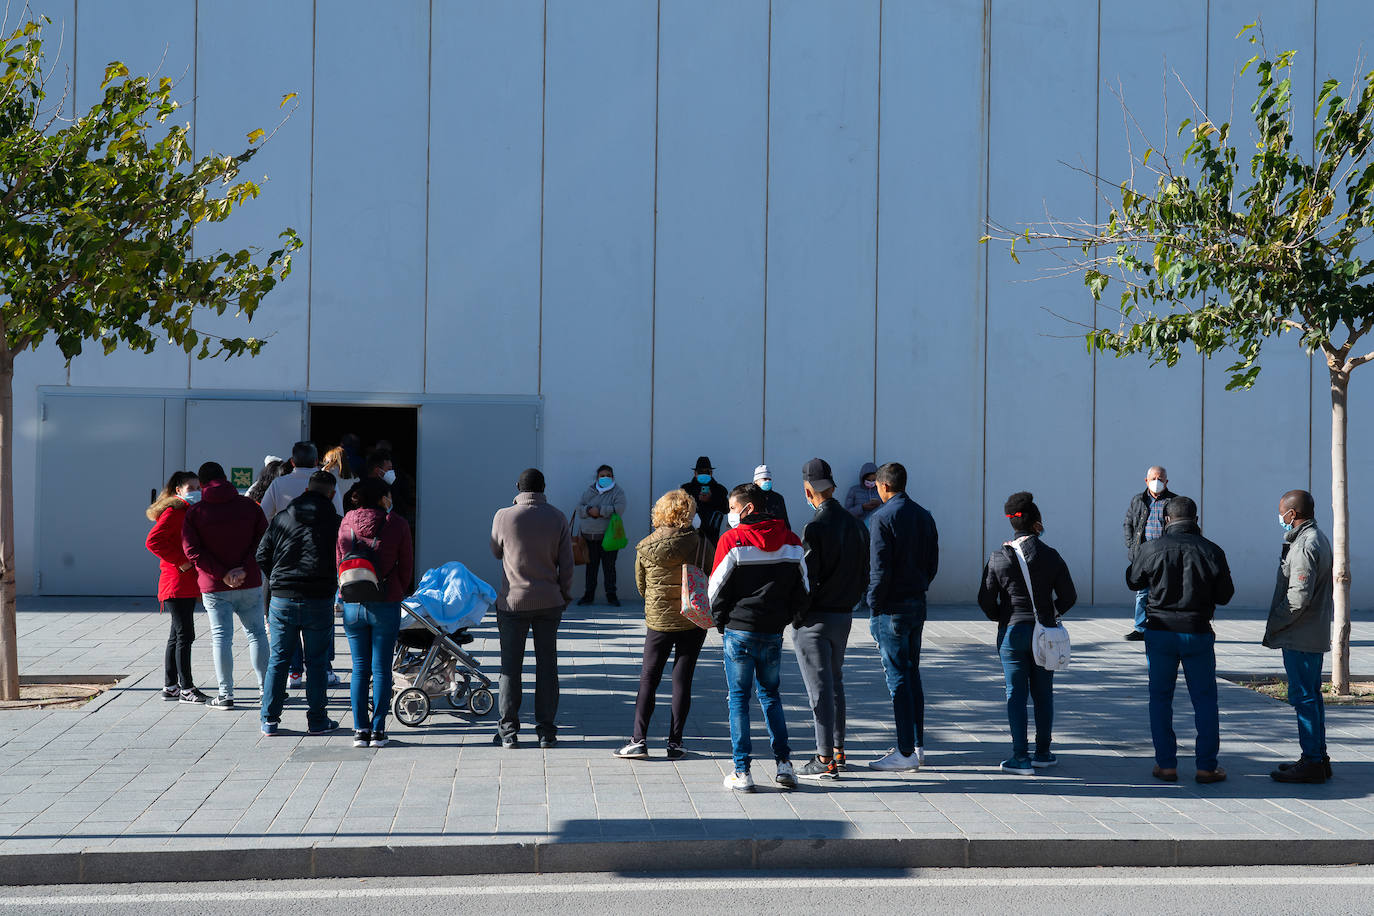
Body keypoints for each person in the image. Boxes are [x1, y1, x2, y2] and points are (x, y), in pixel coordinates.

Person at [1126, 496, 1234, 784]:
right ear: (1196, 520)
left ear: (1166, 520)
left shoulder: (1152, 548)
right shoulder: (1213, 550)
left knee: (1160, 699)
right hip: (1198, 631)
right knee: (1205, 700)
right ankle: (1206, 767)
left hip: (1160, 631)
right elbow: (1225, 595)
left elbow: (1134, 581)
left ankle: (1166, 764)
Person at [709, 482, 806, 793]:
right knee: (771, 697)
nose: (730, 514)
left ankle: (742, 771)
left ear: (747, 509)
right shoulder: (791, 541)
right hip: (773, 632)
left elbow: (715, 590)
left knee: (738, 699)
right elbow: (803, 589)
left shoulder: (732, 540)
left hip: (739, 631)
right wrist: (787, 618)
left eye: (733, 508)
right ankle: (784, 765)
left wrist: (720, 622)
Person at [977, 492, 1077, 776]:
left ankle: (1019, 757)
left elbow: (985, 599)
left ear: (1011, 522)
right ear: (1036, 521)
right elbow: (1069, 596)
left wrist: (1003, 617)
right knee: (1044, 694)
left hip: (1012, 632)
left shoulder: (999, 557)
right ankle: (1043, 753)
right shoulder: (1051, 555)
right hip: (1043, 632)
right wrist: (1050, 613)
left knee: (1016, 695)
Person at [615, 489, 705, 760]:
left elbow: (641, 586)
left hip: (659, 621)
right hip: (692, 618)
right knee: (682, 681)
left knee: (648, 679)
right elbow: (711, 574)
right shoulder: (700, 543)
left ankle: (638, 740)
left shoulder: (645, 546)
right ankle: (675, 743)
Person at [793, 459, 867, 781]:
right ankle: (837, 750)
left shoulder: (816, 527)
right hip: (844, 615)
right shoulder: (857, 524)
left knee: (819, 689)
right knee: (835, 685)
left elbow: (807, 577)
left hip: (816, 618)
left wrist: (797, 616)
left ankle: (824, 758)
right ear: (833, 487)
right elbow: (865, 573)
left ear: (809, 491)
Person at [490, 468, 574, 749]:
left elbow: (495, 550)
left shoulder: (503, 516)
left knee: (510, 668)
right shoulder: (558, 517)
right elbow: (567, 563)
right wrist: (565, 593)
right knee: (547, 666)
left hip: (512, 602)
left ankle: (508, 732)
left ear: (518, 487)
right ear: (543, 488)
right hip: (550, 601)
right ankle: (547, 732)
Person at [257, 471, 342, 737]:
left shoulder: (282, 517)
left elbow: (262, 554)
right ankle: (317, 721)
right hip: (319, 598)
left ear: (306, 490)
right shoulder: (337, 523)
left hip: (282, 598)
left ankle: (269, 720)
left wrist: (279, 579)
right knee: (316, 662)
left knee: (279, 659)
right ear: (331, 494)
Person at [866, 461, 939, 772]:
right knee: (912, 674)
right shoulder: (924, 515)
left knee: (897, 678)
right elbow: (933, 562)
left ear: (883, 486)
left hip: (891, 608)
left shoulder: (881, 517)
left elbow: (879, 570)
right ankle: (916, 745)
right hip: (916, 602)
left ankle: (906, 751)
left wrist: (873, 604)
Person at [181, 461, 269, 711]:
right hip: (249, 580)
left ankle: (226, 694)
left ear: (202, 483)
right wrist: (242, 568)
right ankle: (266, 691)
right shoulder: (250, 506)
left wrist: (222, 574)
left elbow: (191, 550)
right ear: (225, 478)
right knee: (257, 634)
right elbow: (263, 540)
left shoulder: (196, 512)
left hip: (214, 586)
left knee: (221, 638)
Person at [1265, 489, 1335, 784]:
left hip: (1301, 635)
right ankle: (1316, 757)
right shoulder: (1315, 537)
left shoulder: (1306, 544)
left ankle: (1313, 762)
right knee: (1311, 697)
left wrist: (1275, 623)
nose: (1280, 516)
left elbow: (1298, 598)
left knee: (1304, 697)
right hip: (1308, 633)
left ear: (1292, 514)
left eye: (1282, 511)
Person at [338, 477, 413, 749]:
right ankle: (379, 730)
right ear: (383, 498)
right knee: (382, 669)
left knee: (359, 668)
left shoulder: (346, 521)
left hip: (353, 603)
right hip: (386, 601)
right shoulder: (397, 524)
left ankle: (360, 730)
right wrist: (396, 591)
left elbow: (340, 560)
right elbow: (406, 567)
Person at [145, 471, 209, 705]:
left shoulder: (188, 511)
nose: (196, 491)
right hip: (176, 582)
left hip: (184, 582)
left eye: (197, 486)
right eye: (190, 487)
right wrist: (180, 561)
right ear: (178, 491)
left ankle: (170, 686)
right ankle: (186, 688)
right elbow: (153, 541)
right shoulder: (174, 512)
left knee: (176, 635)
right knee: (185, 635)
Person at [1123, 466, 1176, 641]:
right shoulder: (1138, 500)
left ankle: (1163, 627)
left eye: (1160, 479)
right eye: (1153, 479)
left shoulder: (1174, 502)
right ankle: (1140, 628)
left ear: (1166, 482)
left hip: (1164, 556)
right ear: (1146, 481)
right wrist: (1132, 545)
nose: (1156, 482)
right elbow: (1128, 523)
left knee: (1165, 591)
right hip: (1143, 556)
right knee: (1142, 593)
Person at [575, 464, 628, 607]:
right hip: (589, 537)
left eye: (608, 475)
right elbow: (579, 508)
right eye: (602, 475)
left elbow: (619, 508)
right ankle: (588, 595)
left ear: (613, 477)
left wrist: (600, 511)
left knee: (609, 568)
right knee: (591, 568)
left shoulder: (617, 492)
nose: (605, 478)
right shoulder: (589, 491)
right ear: (597, 477)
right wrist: (588, 510)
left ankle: (611, 596)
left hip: (608, 538)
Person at [681, 456, 729, 525]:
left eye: (707, 472)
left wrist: (711, 499)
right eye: (700, 472)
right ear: (695, 473)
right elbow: (681, 509)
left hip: (713, 532)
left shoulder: (720, 490)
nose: (704, 474)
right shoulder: (686, 489)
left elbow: (725, 509)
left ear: (711, 473)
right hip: (691, 530)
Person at [752, 464, 790, 530]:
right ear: (756, 481)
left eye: (769, 479)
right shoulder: (750, 497)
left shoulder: (778, 498)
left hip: (775, 536)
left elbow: (785, 522)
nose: (768, 481)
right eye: (765, 479)